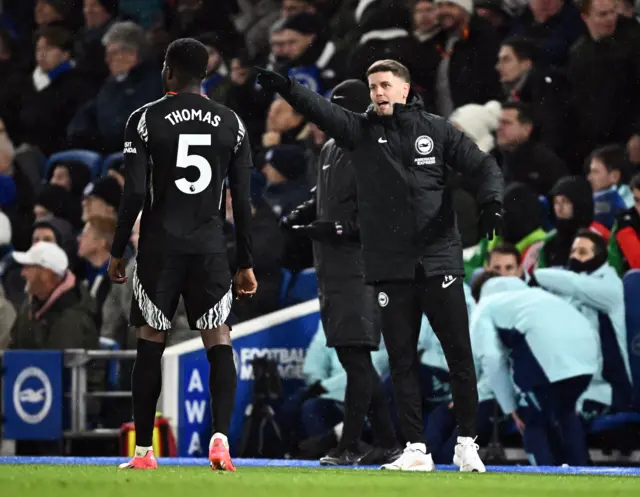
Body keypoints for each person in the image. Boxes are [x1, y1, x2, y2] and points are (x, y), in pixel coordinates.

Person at [255, 59, 504, 472]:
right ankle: (416, 450)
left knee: (458, 354)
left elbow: (483, 165)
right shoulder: (361, 132)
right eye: (373, 87)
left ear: (404, 89)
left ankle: (467, 442)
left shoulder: (437, 130)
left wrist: (492, 200)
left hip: (438, 258)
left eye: (385, 85)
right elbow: (323, 110)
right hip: (390, 265)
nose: (378, 93)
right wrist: (288, 87)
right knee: (401, 359)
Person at [108, 38, 257, 471]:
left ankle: (142, 453)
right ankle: (221, 440)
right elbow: (242, 201)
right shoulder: (233, 123)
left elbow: (135, 190)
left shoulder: (145, 119)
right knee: (219, 338)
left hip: (159, 247)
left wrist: (118, 250)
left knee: (150, 341)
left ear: (169, 72)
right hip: (209, 248)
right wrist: (245, 262)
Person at [282, 79, 398, 465]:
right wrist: (305, 212)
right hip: (332, 268)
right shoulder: (331, 148)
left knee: (357, 358)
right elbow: (325, 195)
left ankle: (349, 445)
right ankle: (386, 442)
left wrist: (335, 229)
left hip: (358, 269)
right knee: (354, 358)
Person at [470, 272, 598, 466]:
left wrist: (510, 407)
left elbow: (492, 358)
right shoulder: (539, 296)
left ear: (476, 297)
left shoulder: (485, 306)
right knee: (566, 413)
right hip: (587, 360)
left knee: (530, 419)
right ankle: (585, 478)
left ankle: (544, 480)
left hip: (547, 360)